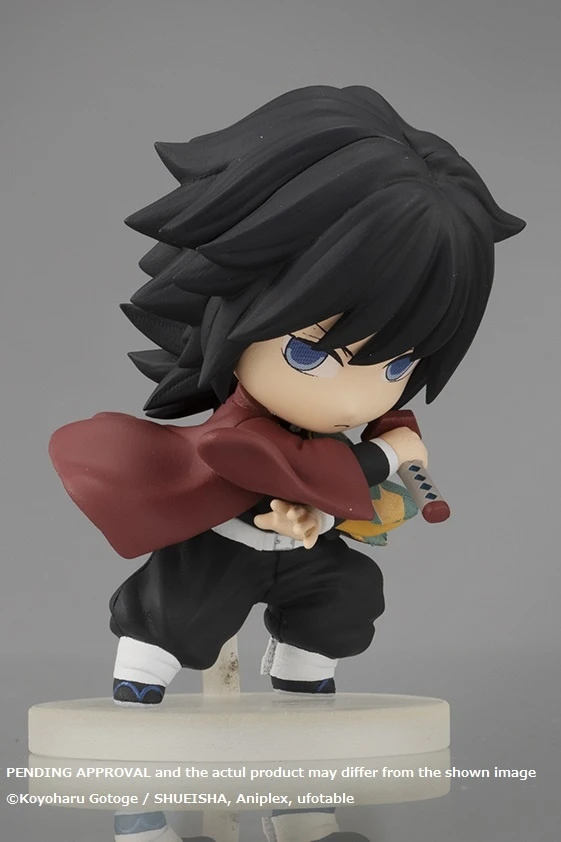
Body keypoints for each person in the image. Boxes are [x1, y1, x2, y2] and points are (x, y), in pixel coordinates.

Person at [49, 85, 525, 704]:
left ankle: (302, 672)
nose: (353, 400)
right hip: (225, 544)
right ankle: (141, 673)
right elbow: (288, 465)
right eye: (310, 352)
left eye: (398, 363)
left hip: (304, 552)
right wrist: (386, 455)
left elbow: (330, 481)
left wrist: (330, 509)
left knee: (347, 593)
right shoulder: (236, 427)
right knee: (179, 609)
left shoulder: (338, 432)